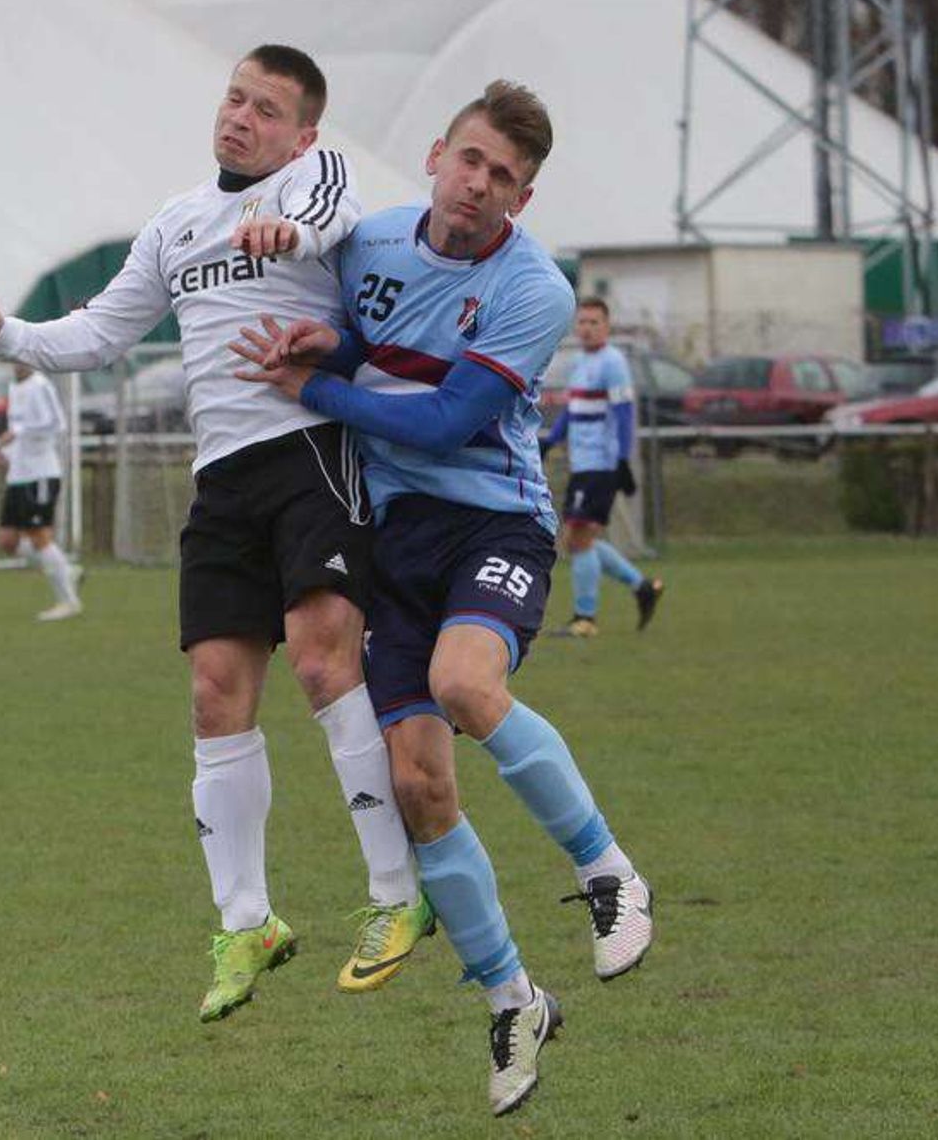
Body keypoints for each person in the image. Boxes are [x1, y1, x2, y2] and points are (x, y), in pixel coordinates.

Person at [0, 44, 431, 1024]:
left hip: (309, 453)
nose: (241, 117)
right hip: (221, 482)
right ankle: (245, 920)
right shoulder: (175, 222)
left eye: (266, 108)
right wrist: (2, 330)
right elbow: (97, 334)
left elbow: (333, 217)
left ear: (302, 130)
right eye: (236, 98)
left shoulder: (312, 179)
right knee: (215, 693)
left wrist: (283, 233)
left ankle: (394, 894)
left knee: (326, 665)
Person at [231, 81, 654, 1117]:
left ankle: (608, 870)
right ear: (436, 153)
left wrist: (315, 392)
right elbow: (362, 338)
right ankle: (513, 996)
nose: (478, 185)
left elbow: (449, 420)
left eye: (502, 176)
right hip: (395, 542)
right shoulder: (370, 245)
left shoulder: (535, 288)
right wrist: (319, 346)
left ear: (524, 195)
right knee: (419, 786)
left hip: (494, 525)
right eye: (469, 159)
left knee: (465, 683)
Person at [539, 298, 664, 637]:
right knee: (583, 539)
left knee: (576, 538)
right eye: (582, 322)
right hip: (583, 462)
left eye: (595, 322)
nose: (587, 328)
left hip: (601, 463)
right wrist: (551, 440)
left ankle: (585, 619)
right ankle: (642, 587)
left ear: (606, 327)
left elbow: (624, 414)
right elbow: (572, 409)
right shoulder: (579, 363)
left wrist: (622, 459)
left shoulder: (613, 362)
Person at [0, 361, 82, 621]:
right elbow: (18, 431)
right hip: (18, 475)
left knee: (38, 534)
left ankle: (68, 602)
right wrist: (6, 452)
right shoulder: (14, 386)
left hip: (40, 473)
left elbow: (57, 424)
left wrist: (16, 433)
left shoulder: (40, 386)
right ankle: (64, 568)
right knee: (7, 541)